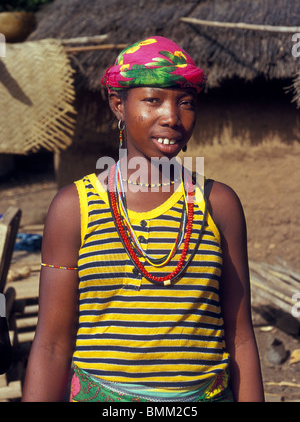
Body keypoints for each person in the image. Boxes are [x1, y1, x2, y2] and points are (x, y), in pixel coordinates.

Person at [22, 36, 264, 402]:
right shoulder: (74, 207)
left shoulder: (219, 205)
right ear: (118, 105)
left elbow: (241, 336)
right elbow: (52, 345)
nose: (171, 116)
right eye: (153, 100)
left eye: (186, 103)